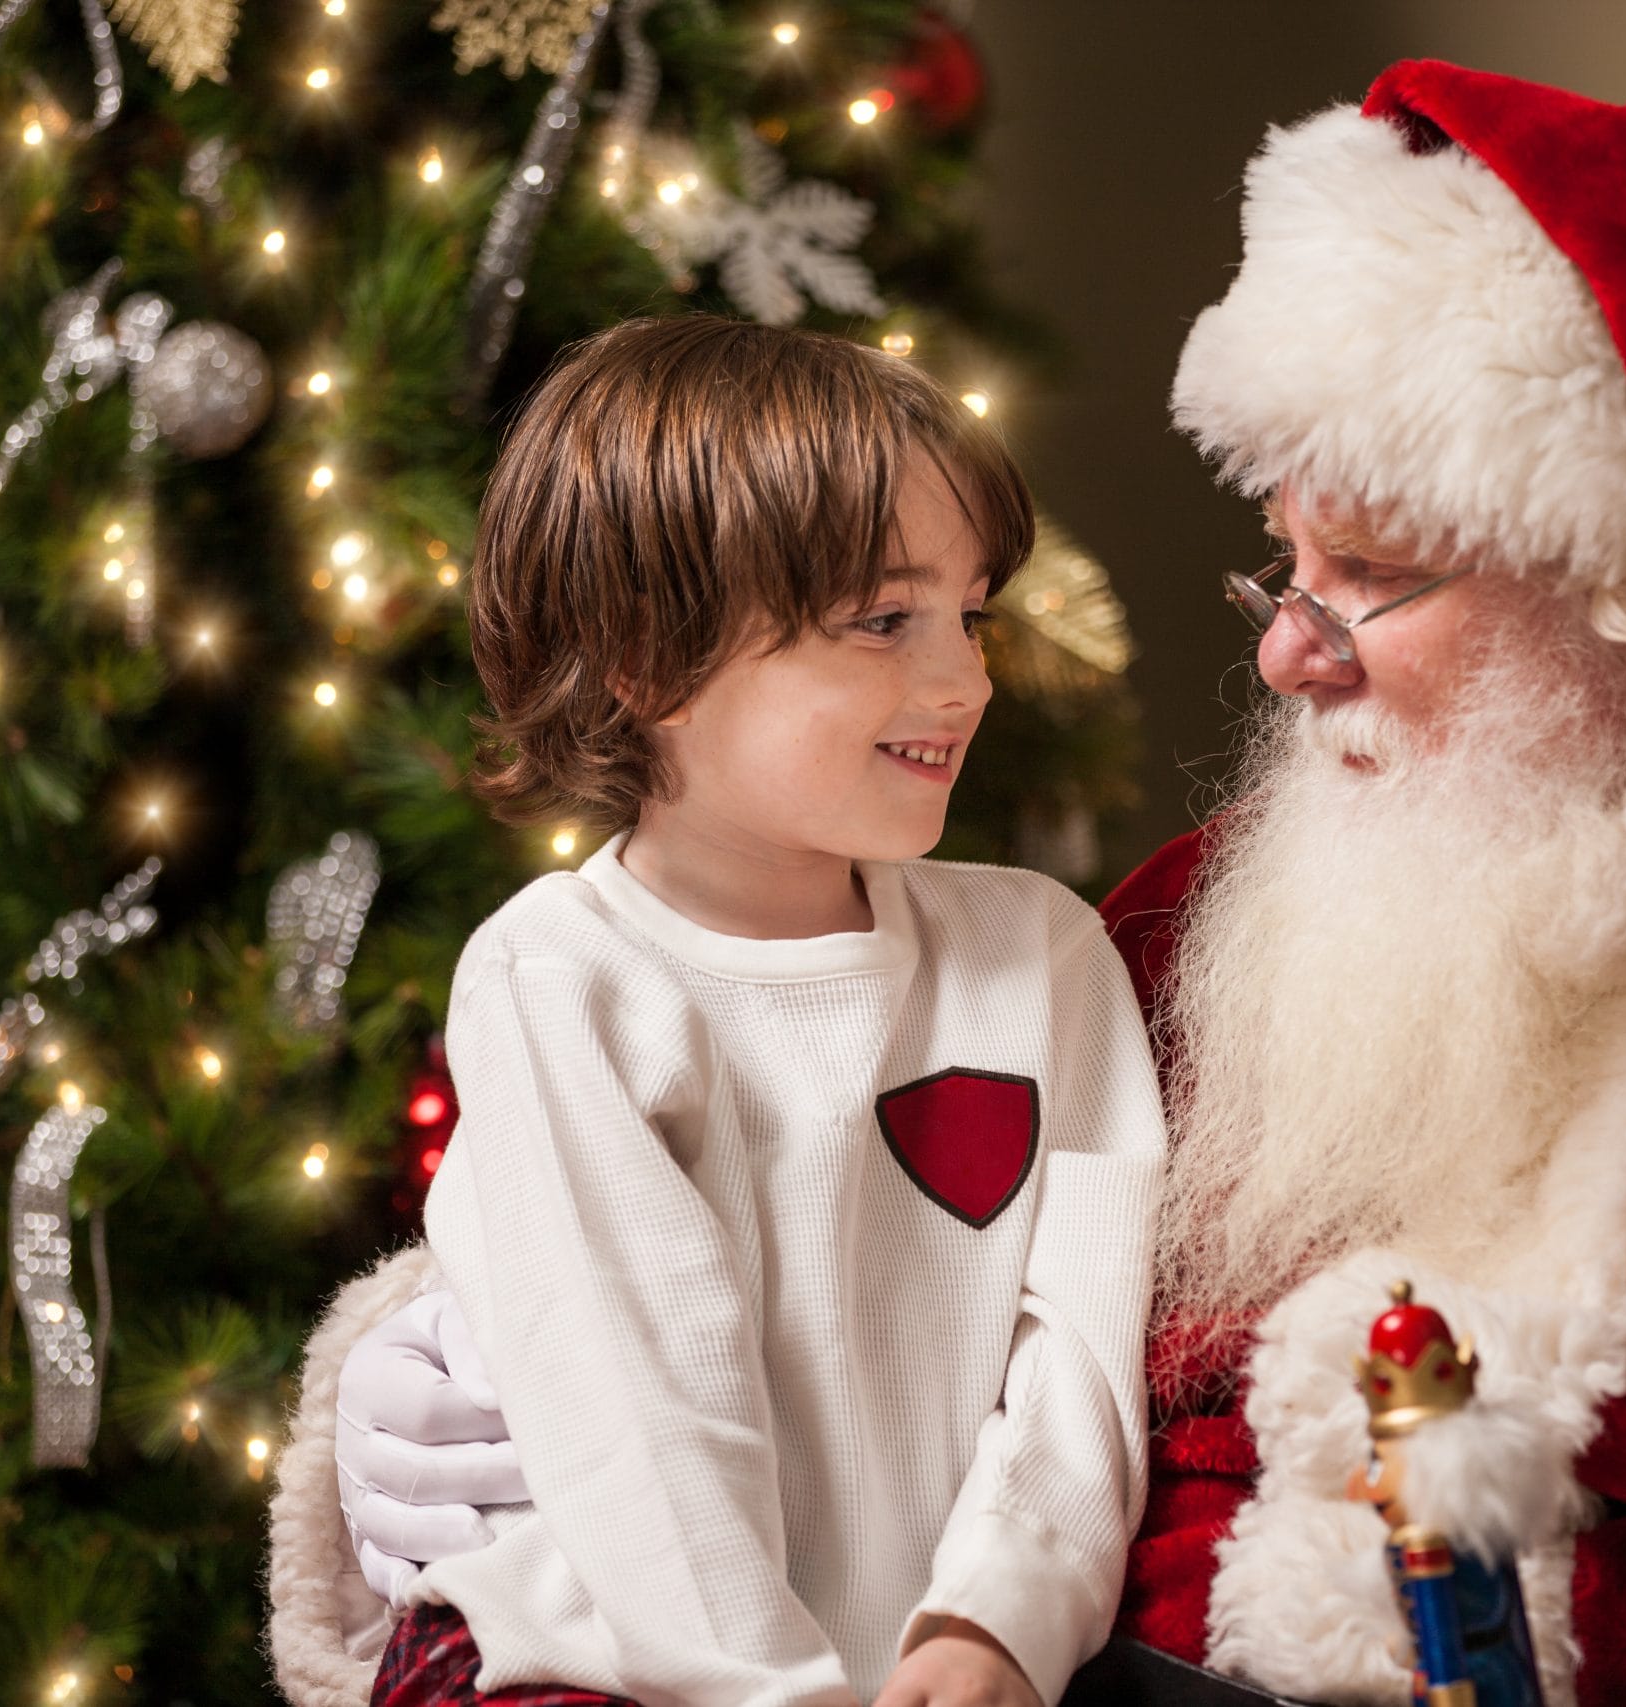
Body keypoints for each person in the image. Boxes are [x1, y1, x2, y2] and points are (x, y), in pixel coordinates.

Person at [283, 64, 1626, 1707]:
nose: (1290, 653)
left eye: (1375, 574)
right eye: (1282, 568)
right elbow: (830, 1248)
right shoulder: (1213, 915)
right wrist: (450, 1355)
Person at [266, 315, 1167, 1707]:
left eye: (970, 613)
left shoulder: (1043, 959)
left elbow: (1083, 1351)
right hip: (602, 1667)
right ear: (646, 660)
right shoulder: (563, 980)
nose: (965, 680)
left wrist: (996, 1619)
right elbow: (645, 1433)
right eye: (883, 621)